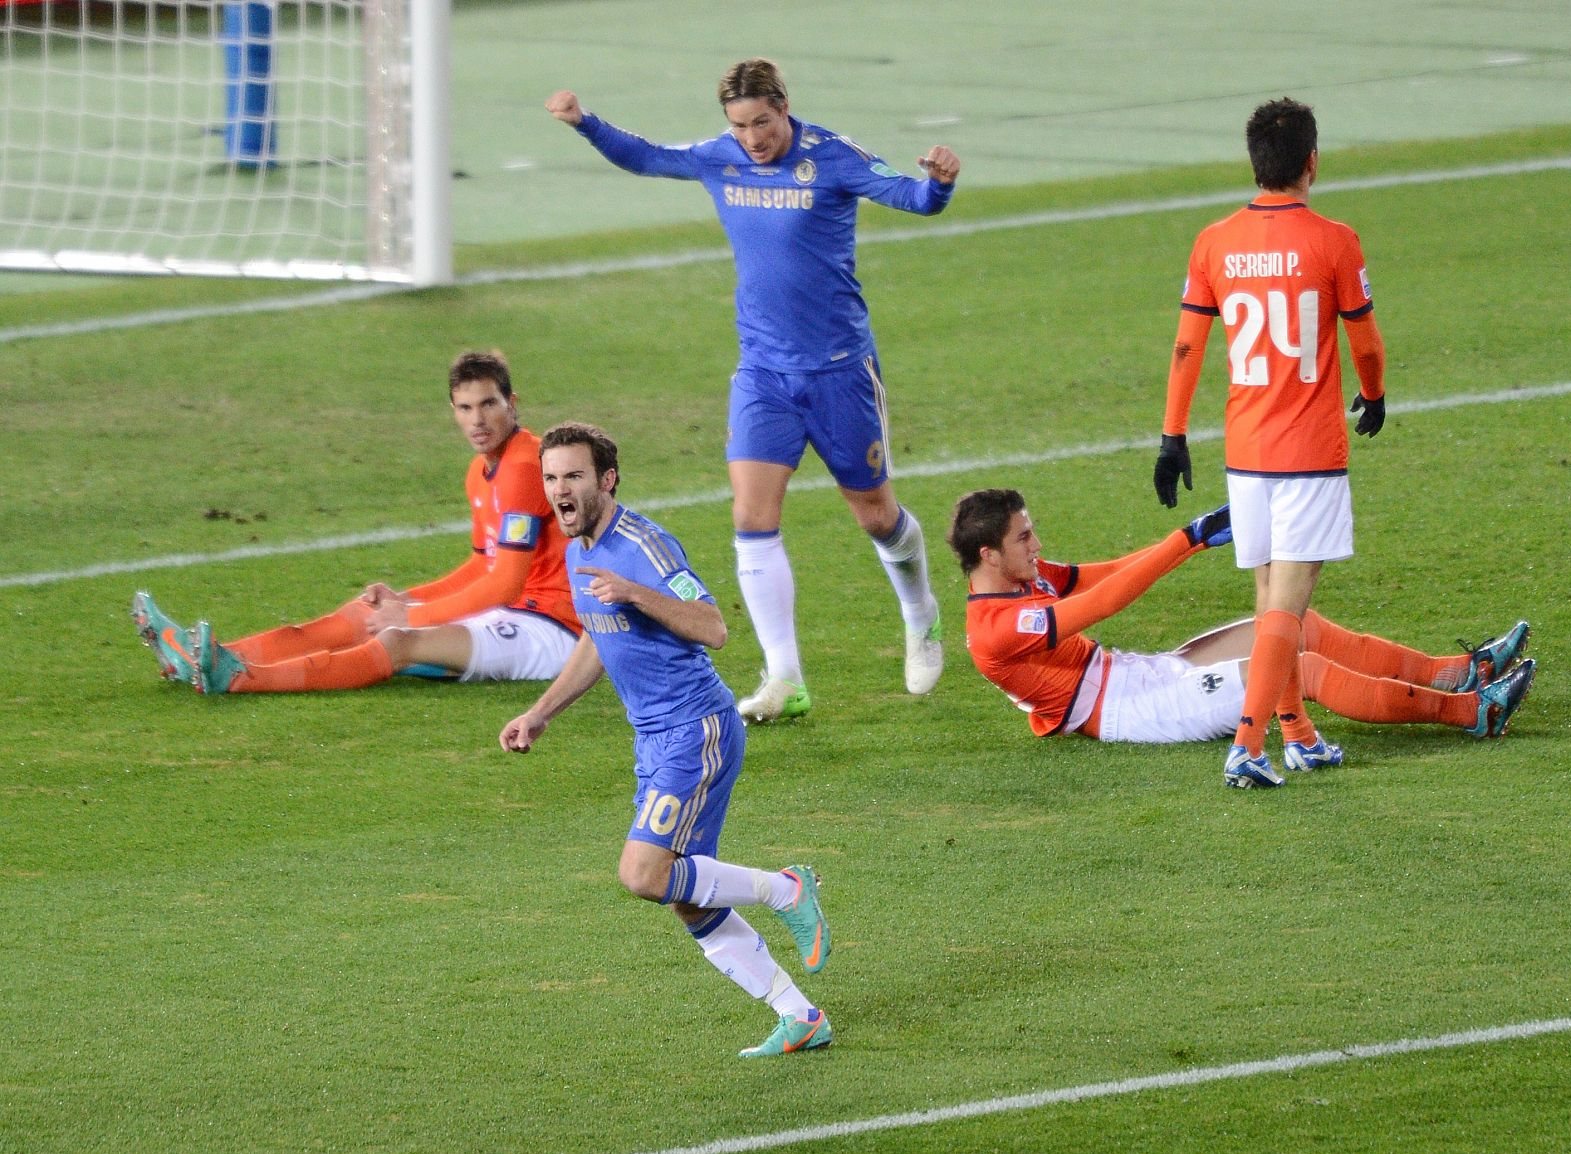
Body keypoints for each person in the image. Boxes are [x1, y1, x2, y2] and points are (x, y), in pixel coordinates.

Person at [545, 58, 961, 722]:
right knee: (751, 518)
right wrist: (585, 124)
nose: (752, 138)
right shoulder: (721, 159)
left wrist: (938, 184)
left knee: (876, 517)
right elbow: (649, 157)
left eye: (762, 123)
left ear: (784, 106)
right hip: (764, 374)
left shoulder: (831, 156)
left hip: (839, 371)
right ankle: (784, 678)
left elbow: (910, 195)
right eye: (739, 125)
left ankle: (921, 612)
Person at [499, 422, 833, 1057]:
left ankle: (787, 889)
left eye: (573, 476)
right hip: (653, 740)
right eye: (550, 478)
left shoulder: (645, 548)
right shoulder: (576, 551)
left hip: (695, 729)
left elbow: (713, 627)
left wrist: (635, 592)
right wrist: (542, 712)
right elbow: (599, 636)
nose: (559, 490)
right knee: (687, 894)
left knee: (644, 873)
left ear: (607, 480)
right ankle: (800, 1015)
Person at [950, 488, 1535, 788]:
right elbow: (1106, 601)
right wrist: (1188, 540)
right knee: (1293, 669)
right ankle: (1468, 714)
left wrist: (1192, 537)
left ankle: (1459, 672)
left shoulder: (1023, 574)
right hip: (1129, 709)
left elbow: (1099, 574)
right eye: (1025, 538)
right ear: (989, 555)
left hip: (1136, 673)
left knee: (1295, 627)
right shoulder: (995, 630)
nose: (1037, 545)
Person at [1153, 96, 1391, 785]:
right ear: (1312, 163)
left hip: (1246, 450)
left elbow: (1186, 347)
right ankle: (1248, 746)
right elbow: (1366, 344)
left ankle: (1298, 732)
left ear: (1254, 164)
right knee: (1288, 605)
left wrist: (1173, 436)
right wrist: (1372, 395)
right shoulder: (1335, 239)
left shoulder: (1214, 242)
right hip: (1310, 450)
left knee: (1269, 597)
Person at [131, 351, 581, 694]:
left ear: (512, 403)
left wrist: (409, 614)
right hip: (512, 612)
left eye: (489, 404)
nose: (477, 420)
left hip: (553, 631)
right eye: (464, 408)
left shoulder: (525, 465)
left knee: (398, 640)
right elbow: (480, 566)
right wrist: (405, 599)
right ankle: (207, 656)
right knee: (364, 614)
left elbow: (503, 584)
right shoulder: (480, 472)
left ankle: (241, 677)